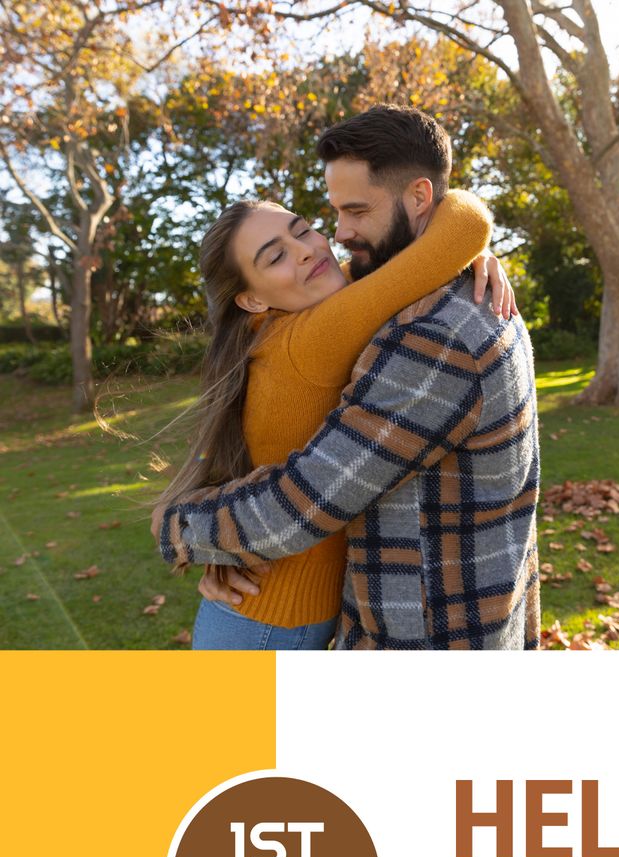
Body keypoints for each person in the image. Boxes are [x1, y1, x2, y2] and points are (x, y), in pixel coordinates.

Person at [155, 106, 540, 650]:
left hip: (423, 635)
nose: (334, 236)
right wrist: (469, 240)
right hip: (279, 612)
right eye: (333, 213)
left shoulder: (438, 335)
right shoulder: (329, 326)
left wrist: (179, 529)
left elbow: (302, 502)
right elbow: (455, 231)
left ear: (419, 197)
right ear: (251, 297)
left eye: (353, 211)